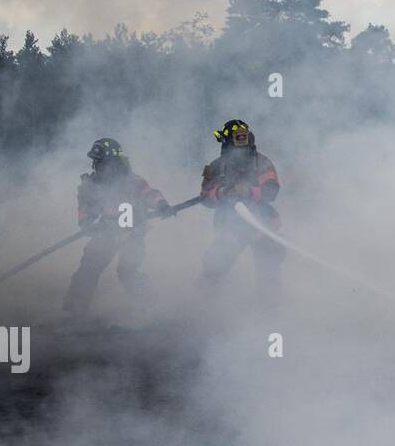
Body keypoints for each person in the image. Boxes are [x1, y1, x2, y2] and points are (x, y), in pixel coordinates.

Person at [62, 138, 172, 316]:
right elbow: (84, 208)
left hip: (132, 233)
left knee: (127, 271)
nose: (96, 166)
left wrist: (162, 205)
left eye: (101, 162)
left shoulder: (132, 181)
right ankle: (73, 311)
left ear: (113, 163)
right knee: (89, 266)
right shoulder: (89, 185)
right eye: (96, 162)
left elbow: (149, 194)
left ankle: (152, 306)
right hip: (105, 233)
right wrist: (88, 224)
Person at [198, 119, 284, 297]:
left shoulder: (262, 162)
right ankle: (205, 304)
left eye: (244, 138)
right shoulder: (214, 167)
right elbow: (205, 197)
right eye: (238, 139)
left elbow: (272, 190)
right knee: (214, 263)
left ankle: (269, 305)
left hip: (261, 224)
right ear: (227, 142)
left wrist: (248, 191)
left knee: (270, 259)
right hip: (230, 226)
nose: (242, 145)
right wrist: (221, 193)